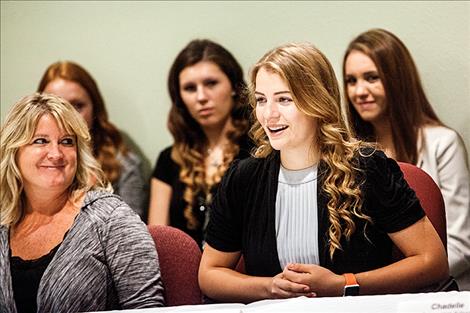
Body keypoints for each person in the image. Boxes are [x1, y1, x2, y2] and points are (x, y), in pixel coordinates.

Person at [198, 42, 449, 302]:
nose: (269, 114)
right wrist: (269, 287)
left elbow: (432, 261)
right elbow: (210, 273)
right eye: (261, 100)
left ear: (316, 101)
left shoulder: (367, 168)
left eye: (284, 99)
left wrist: (343, 284)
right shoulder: (244, 177)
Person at [0, 93, 164, 312]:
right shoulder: (4, 222)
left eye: (67, 142)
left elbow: (147, 308)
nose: (56, 154)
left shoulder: (110, 218)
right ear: (14, 151)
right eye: (41, 141)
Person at [343, 28, 470, 290]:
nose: (359, 91)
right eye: (351, 81)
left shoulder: (441, 143)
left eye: (371, 78)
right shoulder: (348, 155)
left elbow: (461, 243)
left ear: (397, 80)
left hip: (437, 293)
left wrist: (398, 277)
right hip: (366, 296)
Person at [148, 39, 252, 247]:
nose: (201, 97)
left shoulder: (259, 151)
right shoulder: (169, 159)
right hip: (182, 274)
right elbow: (157, 241)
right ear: (180, 98)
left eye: (211, 83)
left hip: (243, 275)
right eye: (190, 88)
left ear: (234, 86)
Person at [37, 61, 147, 219]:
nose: (67, 117)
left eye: (77, 106)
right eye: (55, 107)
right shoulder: (26, 160)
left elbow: (132, 233)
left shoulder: (123, 165)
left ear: (95, 109)